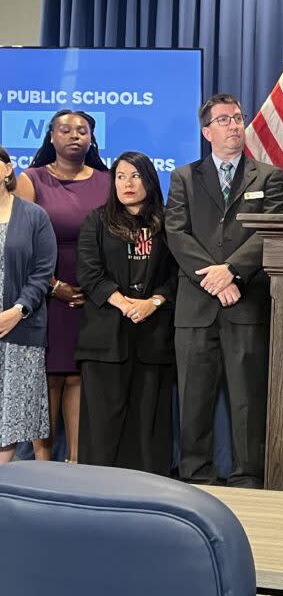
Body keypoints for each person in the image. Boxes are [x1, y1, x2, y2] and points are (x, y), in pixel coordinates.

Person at [165, 94, 283, 487]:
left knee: (248, 398)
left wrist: (233, 272)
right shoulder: (183, 177)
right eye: (223, 120)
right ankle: (196, 475)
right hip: (197, 306)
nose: (234, 125)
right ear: (207, 131)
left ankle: (248, 476)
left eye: (238, 118)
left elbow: (270, 231)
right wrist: (213, 279)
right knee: (194, 398)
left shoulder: (267, 176)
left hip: (245, 302)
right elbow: (176, 233)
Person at [15, 109, 109, 462]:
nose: (74, 136)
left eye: (81, 130)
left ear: (91, 138)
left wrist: (99, 287)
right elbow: (21, 245)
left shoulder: (107, 180)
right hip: (45, 294)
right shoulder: (32, 179)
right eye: (65, 130)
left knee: (78, 378)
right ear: (51, 137)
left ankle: (76, 464)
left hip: (93, 294)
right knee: (48, 379)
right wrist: (54, 287)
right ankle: (42, 468)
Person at [76, 152, 178, 473]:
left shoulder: (168, 222)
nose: (127, 183)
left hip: (153, 338)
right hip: (106, 339)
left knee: (149, 425)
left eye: (135, 176)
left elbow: (177, 274)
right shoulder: (97, 220)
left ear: (149, 179)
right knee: (103, 428)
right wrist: (123, 303)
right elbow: (89, 273)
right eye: (120, 176)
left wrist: (153, 302)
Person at [0, 146, 58, 464]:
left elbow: (41, 273)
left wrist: (17, 311)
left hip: (19, 328)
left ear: (7, 169)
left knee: (11, 416)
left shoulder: (34, 216)